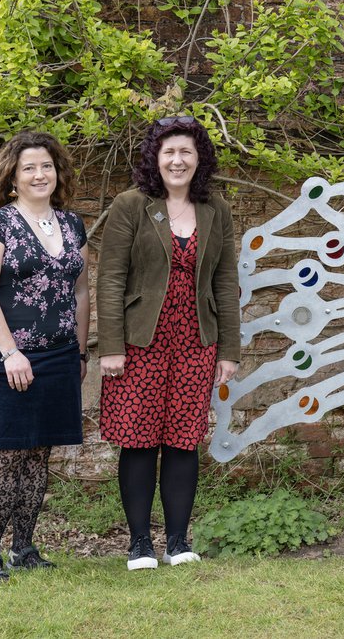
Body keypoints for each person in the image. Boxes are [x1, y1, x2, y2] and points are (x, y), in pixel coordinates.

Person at [97, 116, 240, 570]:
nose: (177, 161)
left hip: (196, 341)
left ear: (200, 160)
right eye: (169, 153)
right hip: (140, 342)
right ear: (155, 159)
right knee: (137, 440)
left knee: (183, 441)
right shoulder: (131, 205)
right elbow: (111, 277)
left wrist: (229, 350)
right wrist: (111, 345)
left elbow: (225, 281)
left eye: (186, 153)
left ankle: (178, 542)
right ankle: (140, 543)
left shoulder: (215, 209)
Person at [0, 131, 89, 587]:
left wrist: (79, 350)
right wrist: (11, 351)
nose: (40, 174)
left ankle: (25, 549)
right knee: (8, 456)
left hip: (59, 356)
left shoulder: (73, 225)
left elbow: (79, 290)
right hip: (9, 359)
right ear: (13, 177)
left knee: (40, 456)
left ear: (58, 173)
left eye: (47, 166)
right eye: (29, 168)